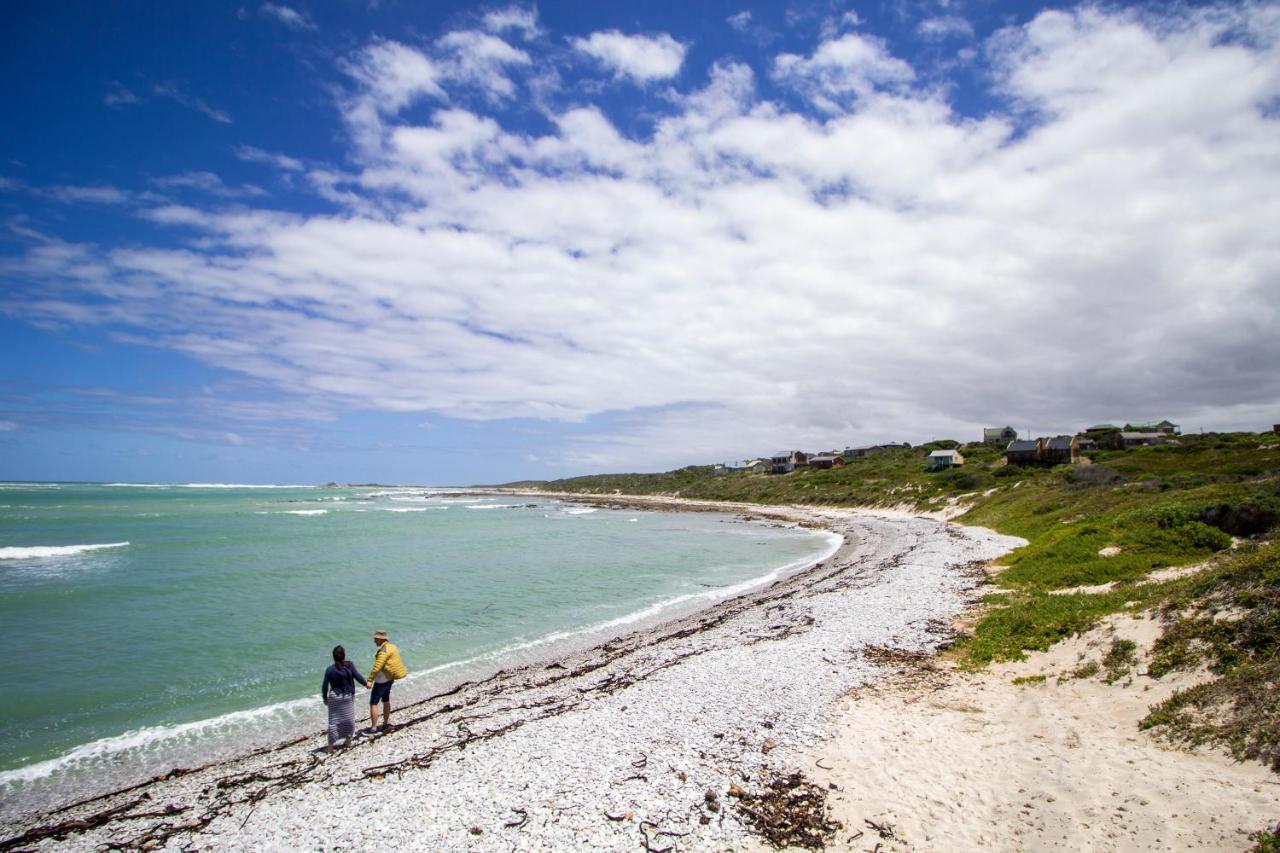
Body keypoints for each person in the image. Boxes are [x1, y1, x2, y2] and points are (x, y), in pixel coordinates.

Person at [321, 645, 368, 753]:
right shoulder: (349, 665)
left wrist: (324, 698)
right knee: (349, 719)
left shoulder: (329, 670)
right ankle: (348, 742)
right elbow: (357, 676)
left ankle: (330, 747)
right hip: (347, 696)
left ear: (333, 657)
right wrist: (366, 684)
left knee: (333, 721)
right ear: (344, 655)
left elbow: (324, 686)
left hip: (334, 697)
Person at [365, 629, 407, 734]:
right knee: (386, 700)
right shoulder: (393, 647)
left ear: (380, 639)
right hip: (390, 678)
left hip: (381, 680)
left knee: (373, 703)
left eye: (375, 639)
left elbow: (377, 667)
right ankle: (386, 722)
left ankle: (374, 728)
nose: (374, 641)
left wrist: (370, 680)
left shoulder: (383, 651)